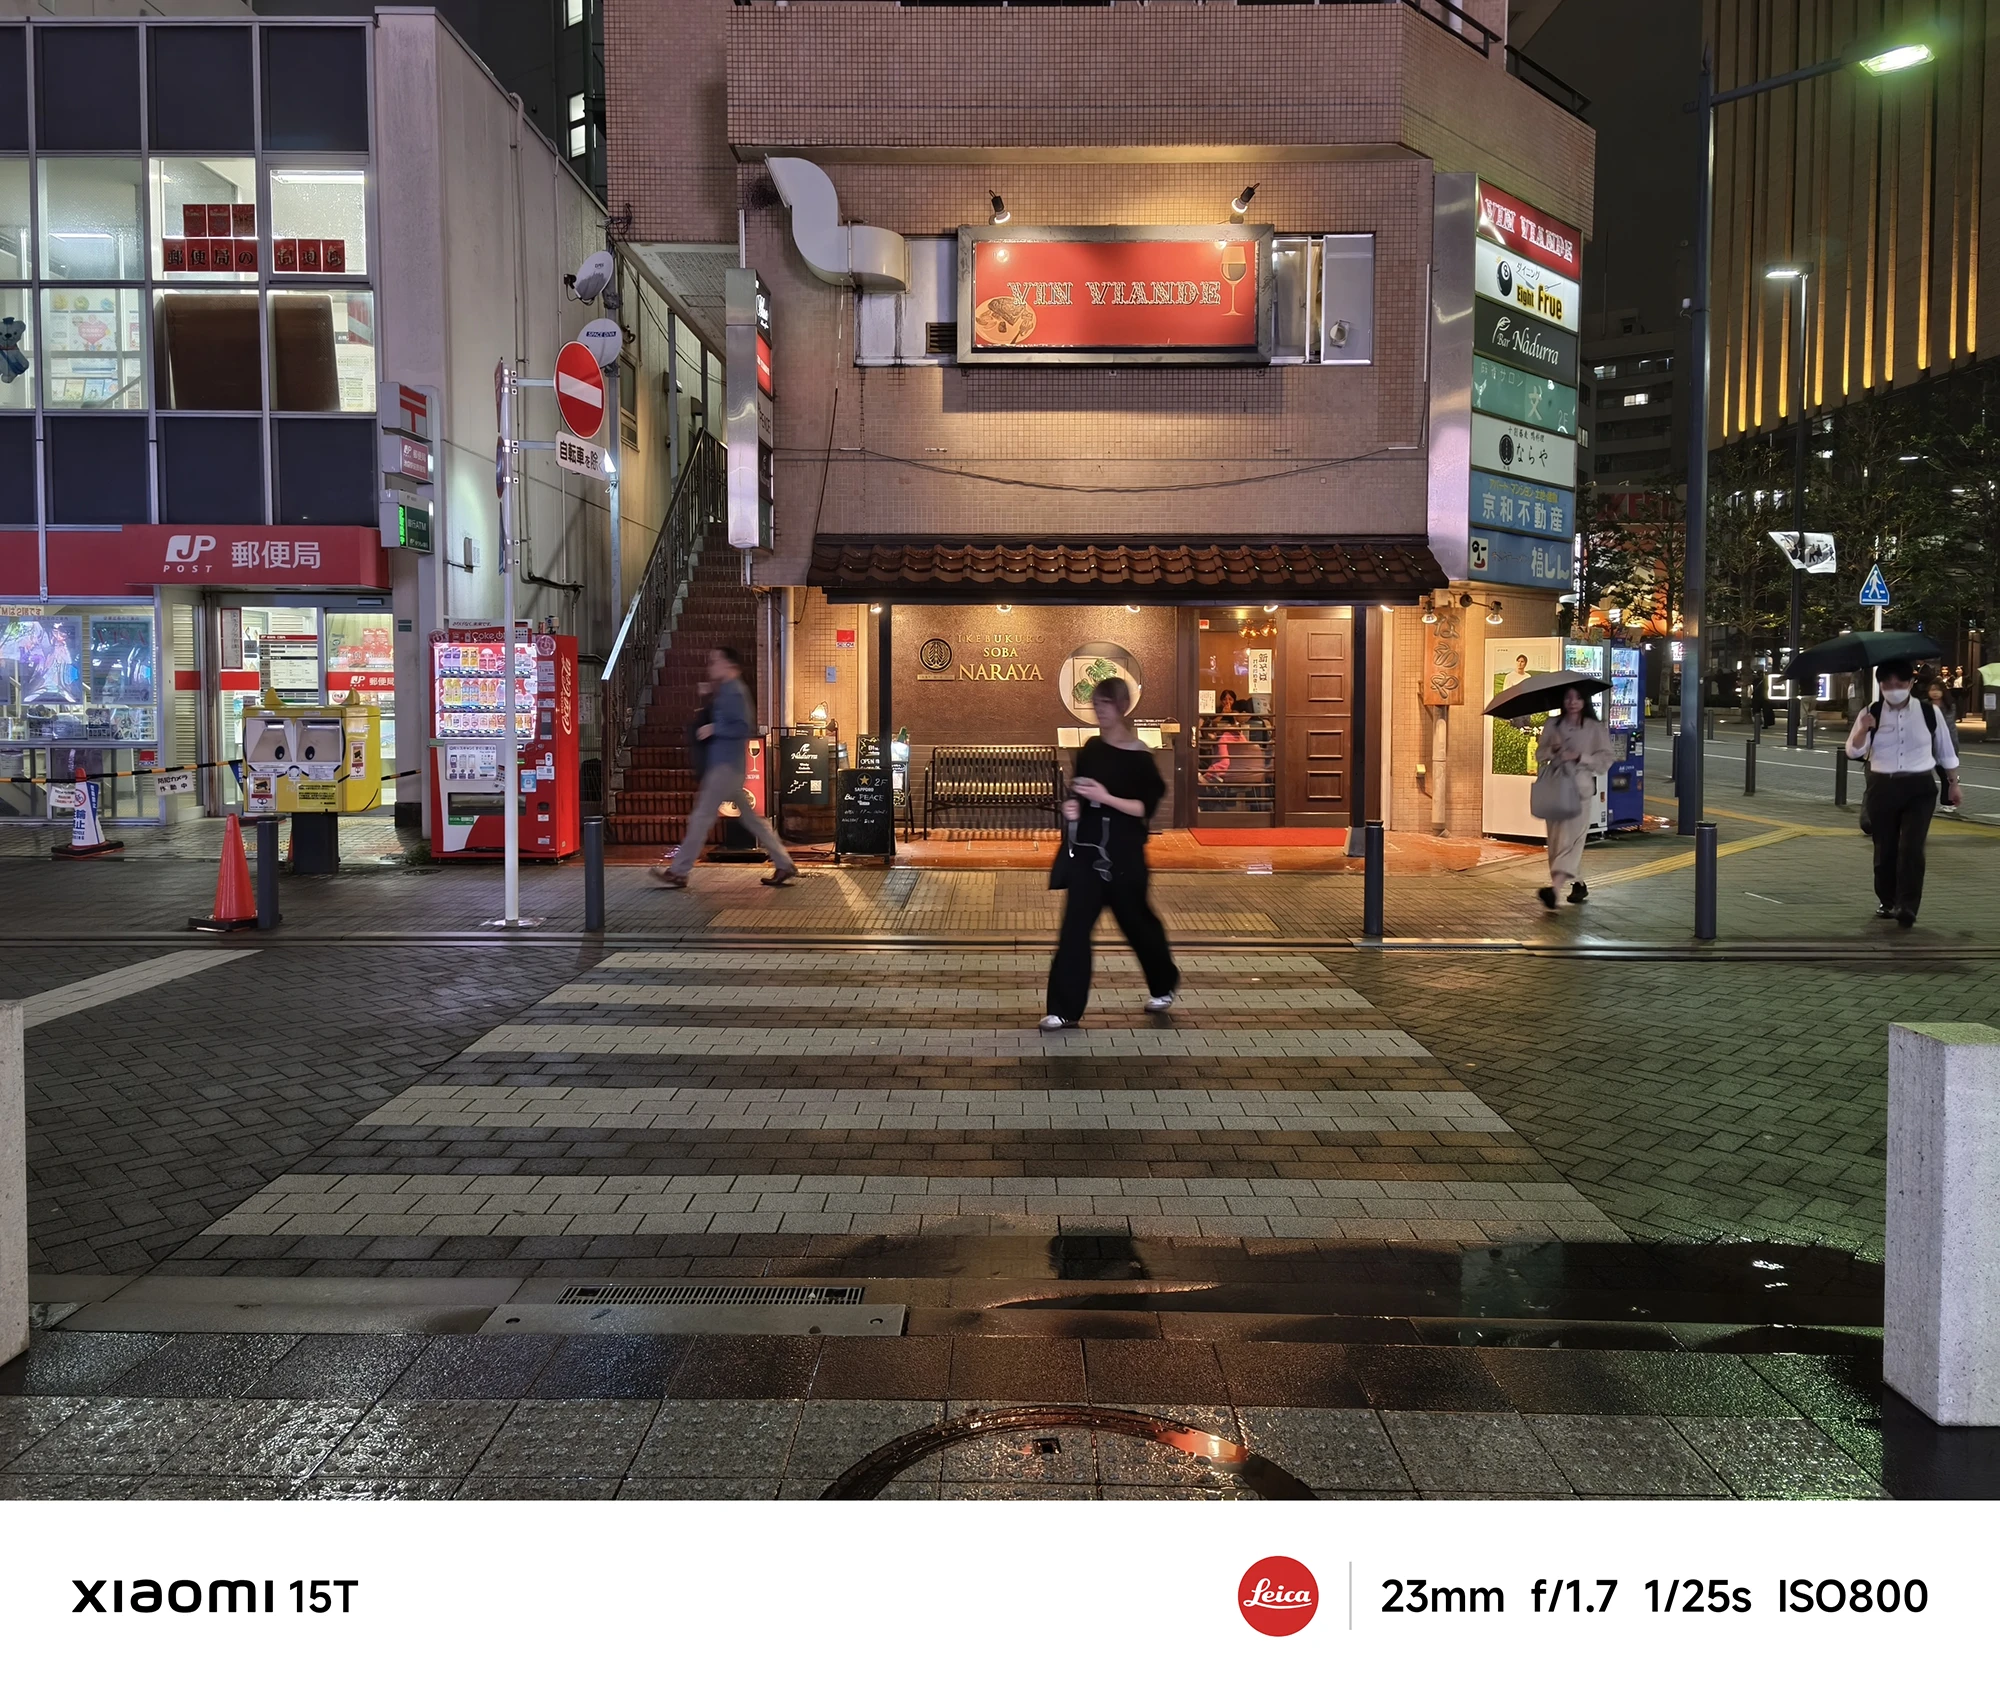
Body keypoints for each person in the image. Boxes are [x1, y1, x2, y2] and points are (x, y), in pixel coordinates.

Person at [1042, 676, 1179, 1028]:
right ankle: (1062, 1008)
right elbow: (1079, 792)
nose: (1098, 711)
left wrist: (1105, 798)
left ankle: (1163, 983)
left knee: (1138, 925)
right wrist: (1073, 807)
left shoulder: (1141, 758)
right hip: (1088, 855)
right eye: (1096, 705)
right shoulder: (1090, 748)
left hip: (1124, 858)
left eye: (1104, 704)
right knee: (1074, 930)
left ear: (1120, 707)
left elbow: (1143, 808)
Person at [652, 647, 798, 889]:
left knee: (701, 817)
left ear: (730, 665)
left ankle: (679, 871)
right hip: (728, 766)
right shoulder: (728, 690)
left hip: (725, 767)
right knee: (752, 820)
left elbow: (742, 727)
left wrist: (713, 729)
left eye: (716, 661)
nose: (712, 665)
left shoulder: (734, 692)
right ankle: (784, 864)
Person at [1846, 657, 1962, 925]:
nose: (1893, 687)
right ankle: (1888, 901)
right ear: (1880, 685)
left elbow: (1945, 750)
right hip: (1882, 785)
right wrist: (1863, 729)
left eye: (1899, 682)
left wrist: (1954, 784)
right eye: (1887, 683)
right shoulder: (1871, 712)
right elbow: (1854, 751)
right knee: (1885, 847)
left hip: (1919, 787)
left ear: (1910, 683)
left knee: (1911, 847)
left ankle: (1907, 906)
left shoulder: (1929, 713)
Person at [1535, 685, 1614, 909]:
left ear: (1584, 702)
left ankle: (1554, 889)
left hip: (1580, 789)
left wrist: (1580, 756)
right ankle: (1578, 883)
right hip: (1556, 786)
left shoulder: (1594, 728)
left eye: (1578, 698)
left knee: (1572, 841)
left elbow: (1606, 759)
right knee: (1557, 840)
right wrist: (1554, 751)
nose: (1572, 702)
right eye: (1568, 698)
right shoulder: (1553, 725)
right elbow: (1540, 754)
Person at [1927, 675, 1962, 811]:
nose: (1934, 692)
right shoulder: (1924, 705)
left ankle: (1947, 801)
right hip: (1928, 745)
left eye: (1937, 690)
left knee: (1945, 774)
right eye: (1932, 690)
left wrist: (1953, 747)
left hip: (1945, 743)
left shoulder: (1949, 706)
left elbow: (1949, 727)